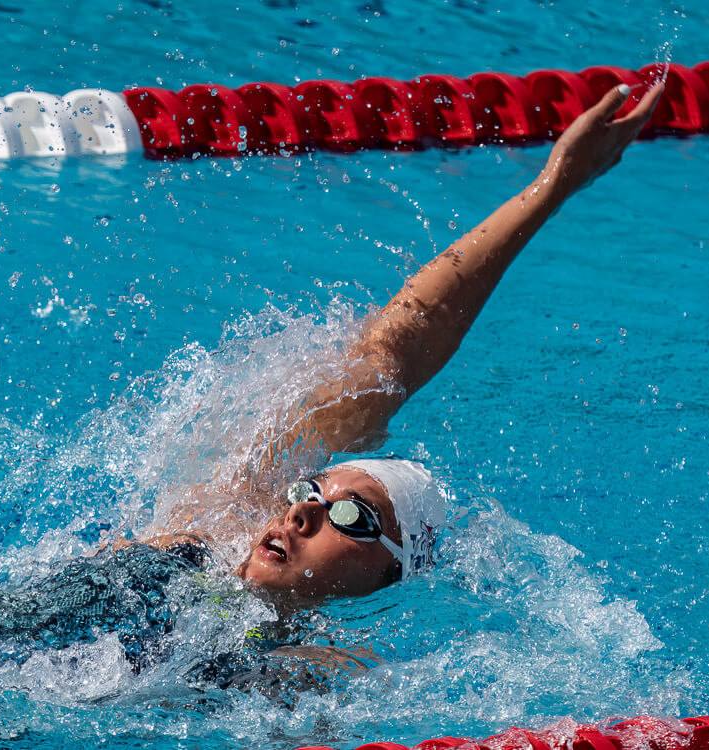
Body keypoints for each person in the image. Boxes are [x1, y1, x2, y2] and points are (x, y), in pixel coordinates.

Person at [133, 81, 665, 603]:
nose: (301, 513)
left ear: (391, 573)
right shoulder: (200, 538)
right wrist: (554, 184)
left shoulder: (313, 675)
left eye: (352, 517)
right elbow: (394, 353)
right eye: (307, 490)